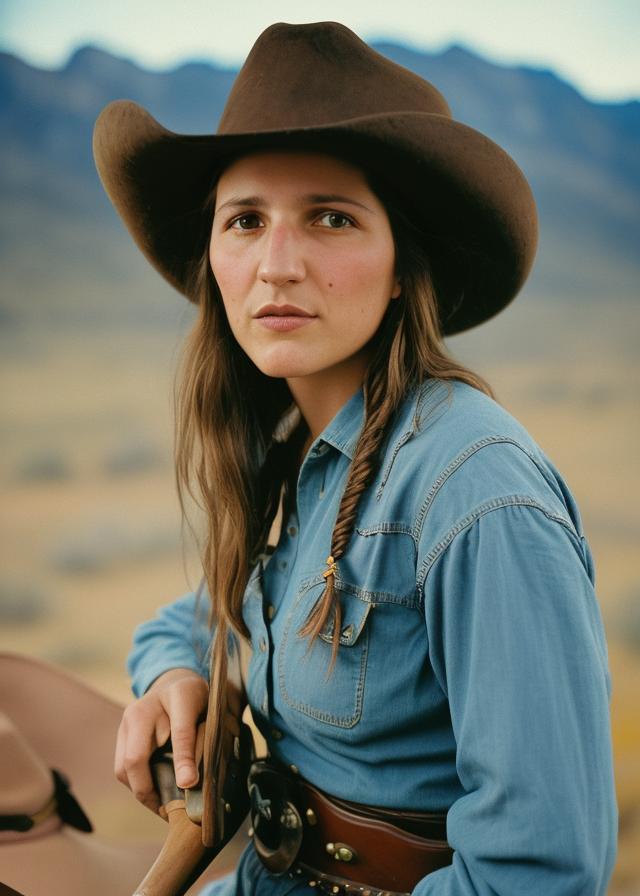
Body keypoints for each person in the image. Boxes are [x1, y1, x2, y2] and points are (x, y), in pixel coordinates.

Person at [92, 20, 618, 896]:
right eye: (246, 221)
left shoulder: (475, 493)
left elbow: (541, 873)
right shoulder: (309, 462)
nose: (277, 265)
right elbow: (193, 620)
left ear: (404, 264)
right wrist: (175, 677)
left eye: (331, 218)